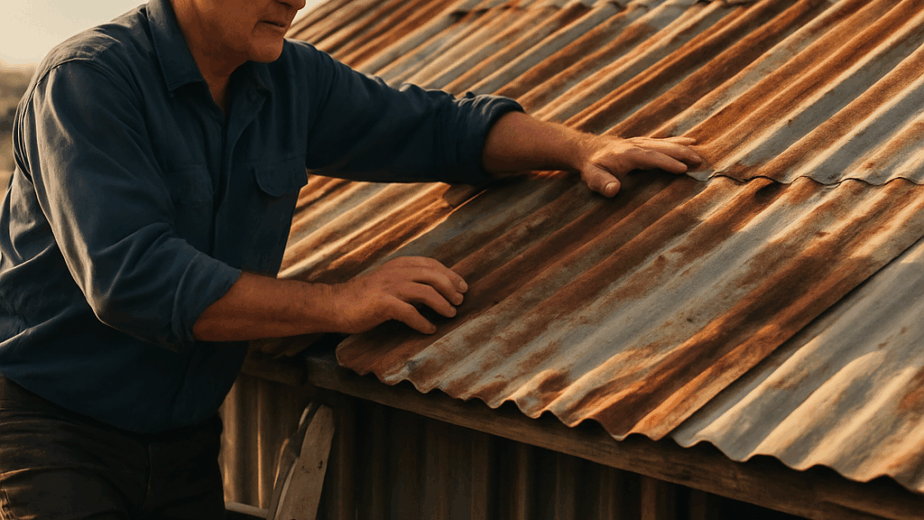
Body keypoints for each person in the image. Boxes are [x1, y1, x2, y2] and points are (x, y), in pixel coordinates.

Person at [0, 0, 702, 518]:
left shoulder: (288, 81)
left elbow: (437, 130)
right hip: (54, 432)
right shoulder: (89, 83)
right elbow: (136, 281)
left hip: (183, 442)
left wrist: (578, 149)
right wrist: (339, 302)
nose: (297, 0)